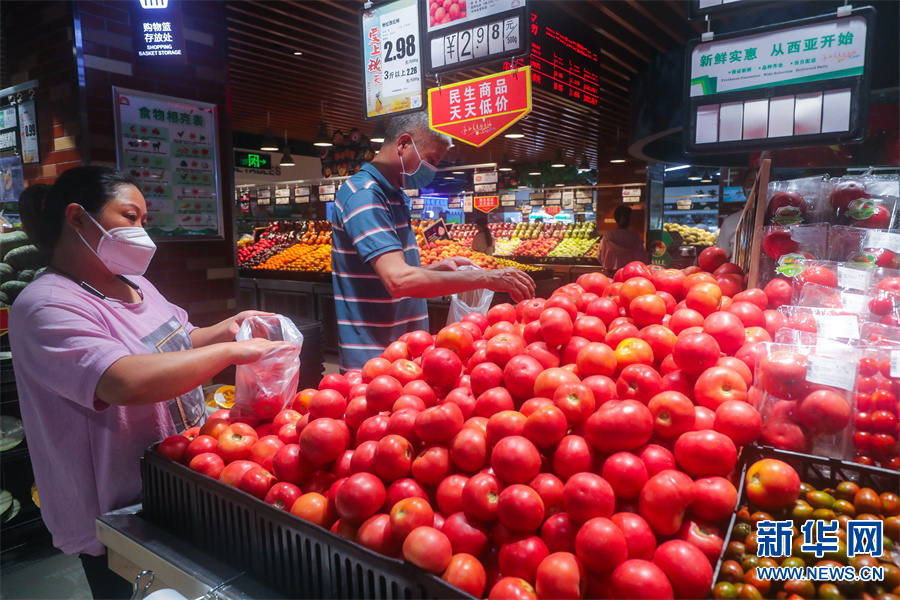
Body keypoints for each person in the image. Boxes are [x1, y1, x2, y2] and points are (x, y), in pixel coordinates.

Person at [9, 166, 291, 600]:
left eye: (145, 220)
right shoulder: (46, 305)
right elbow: (121, 381)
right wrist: (232, 353)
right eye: (130, 216)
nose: (143, 231)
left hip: (176, 484)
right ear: (77, 218)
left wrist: (227, 329)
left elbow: (177, 343)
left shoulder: (135, 285)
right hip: (115, 510)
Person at [331, 112, 535, 371]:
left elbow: (387, 276)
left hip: (403, 351)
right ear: (404, 144)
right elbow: (399, 281)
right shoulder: (364, 195)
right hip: (375, 360)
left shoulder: (393, 194)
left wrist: (437, 268)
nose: (433, 170)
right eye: (431, 160)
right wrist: (486, 278)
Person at [597, 204, 650, 273]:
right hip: (630, 274)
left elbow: (599, 256)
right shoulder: (635, 237)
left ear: (615, 219)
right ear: (630, 220)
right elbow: (642, 260)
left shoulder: (608, 235)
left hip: (611, 274)